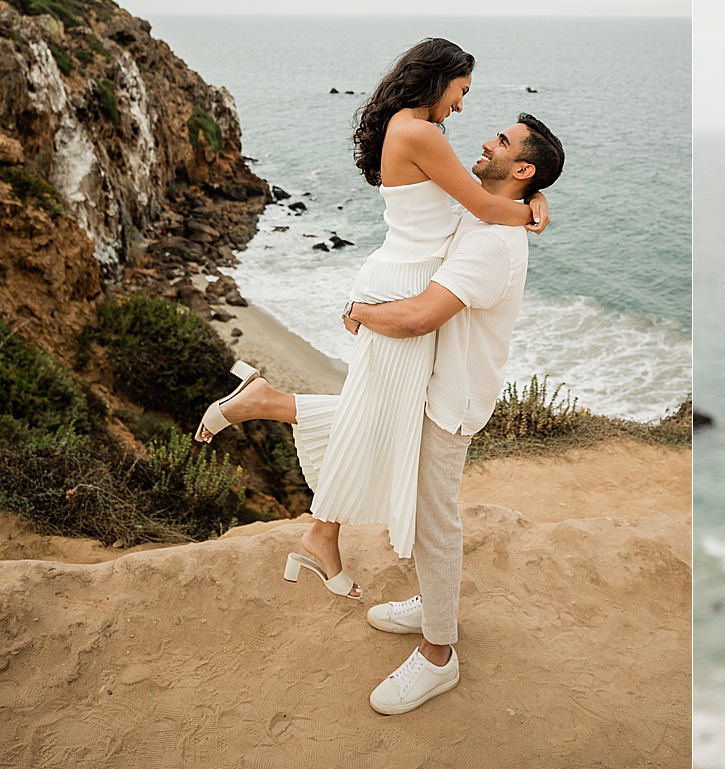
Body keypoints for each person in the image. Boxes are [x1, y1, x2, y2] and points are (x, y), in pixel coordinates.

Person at [200, 113, 564, 714]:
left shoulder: (492, 244)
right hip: (425, 385)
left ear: (520, 168)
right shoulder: (484, 214)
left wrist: (361, 311)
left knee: (434, 522)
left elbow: (423, 315)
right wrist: (535, 202)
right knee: (364, 427)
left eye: (500, 141)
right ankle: (430, 598)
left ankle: (439, 656)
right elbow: (477, 206)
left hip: (449, 402)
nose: (483, 140)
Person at [198, 39, 548, 600]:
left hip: (400, 274)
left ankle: (298, 476)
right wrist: (532, 207)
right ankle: (315, 523)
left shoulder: (409, 127)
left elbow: (466, 207)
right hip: (406, 284)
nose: (461, 107)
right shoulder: (419, 133)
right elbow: (483, 208)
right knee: (383, 417)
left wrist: (529, 200)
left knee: (384, 414)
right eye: (461, 93)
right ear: (440, 80)